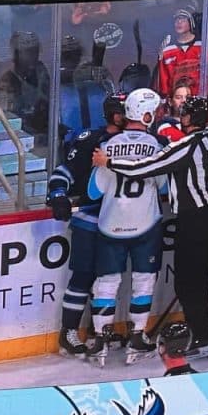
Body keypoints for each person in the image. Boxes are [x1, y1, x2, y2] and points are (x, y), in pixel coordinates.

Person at [93, 96, 208, 357]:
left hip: (192, 220)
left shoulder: (186, 145)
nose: (180, 116)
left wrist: (109, 162)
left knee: (187, 283)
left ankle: (201, 338)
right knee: (195, 280)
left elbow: (146, 167)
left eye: (184, 113)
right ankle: (201, 334)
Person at [85, 89, 168, 366]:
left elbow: (94, 191)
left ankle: (100, 339)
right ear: (146, 115)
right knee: (143, 281)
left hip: (111, 223)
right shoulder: (158, 146)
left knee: (107, 283)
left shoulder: (108, 145)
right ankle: (137, 337)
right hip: (146, 223)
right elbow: (164, 188)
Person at [45, 93, 126, 357]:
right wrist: (58, 194)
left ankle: (98, 330)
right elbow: (65, 171)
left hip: (119, 222)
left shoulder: (137, 141)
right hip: (90, 221)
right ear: (112, 114)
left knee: (108, 278)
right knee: (83, 276)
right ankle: (68, 332)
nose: (127, 115)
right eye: (122, 110)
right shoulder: (90, 139)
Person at [0, 31, 51, 134]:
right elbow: (3, 114)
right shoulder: (6, 79)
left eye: (36, 51)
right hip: (16, 132)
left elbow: (46, 104)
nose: (34, 56)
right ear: (17, 54)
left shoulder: (41, 72)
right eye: (29, 52)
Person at [156, 8, 202, 97]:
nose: (179, 22)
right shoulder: (167, 48)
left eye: (183, 19)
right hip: (176, 98)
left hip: (198, 97)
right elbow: (163, 78)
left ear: (191, 23)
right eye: (177, 20)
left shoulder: (202, 45)